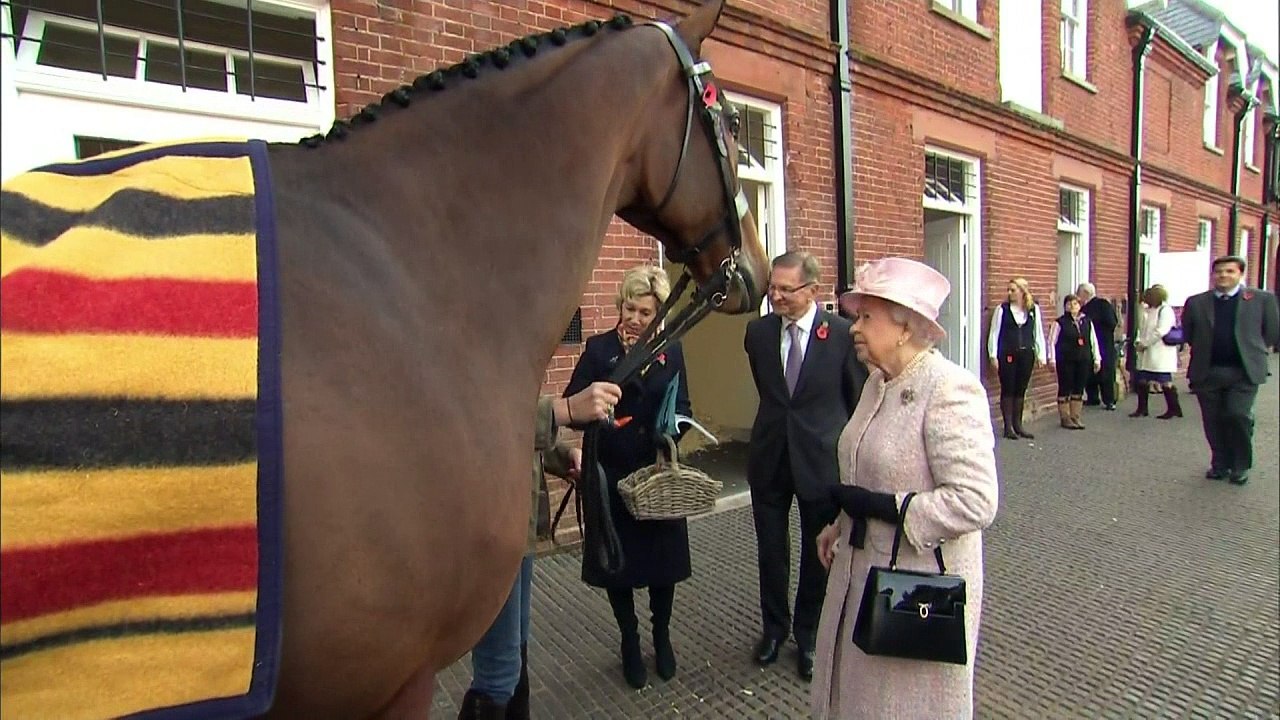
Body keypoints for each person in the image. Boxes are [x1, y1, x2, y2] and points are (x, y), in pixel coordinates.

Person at [811, 257, 998, 720]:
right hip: (860, 571)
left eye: (866, 316)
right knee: (855, 698)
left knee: (901, 705)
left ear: (905, 327)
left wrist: (890, 509)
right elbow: (869, 468)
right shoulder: (877, 384)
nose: (854, 327)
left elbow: (976, 501)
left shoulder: (950, 389)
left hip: (917, 590)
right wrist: (841, 523)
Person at [458, 381, 622, 720]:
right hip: (492, 527)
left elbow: (515, 427)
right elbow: (478, 418)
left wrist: (564, 456)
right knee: (499, 671)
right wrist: (565, 410)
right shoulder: (465, 334)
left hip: (520, 524)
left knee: (516, 652)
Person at [563, 265, 692, 689]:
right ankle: (630, 640)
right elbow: (572, 402)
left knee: (662, 564)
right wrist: (596, 415)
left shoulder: (670, 349)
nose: (634, 319)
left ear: (658, 314)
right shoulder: (599, 350)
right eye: (629, 308)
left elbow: (684, 407)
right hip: (612, 471)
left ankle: (662, 634)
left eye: (644, 312)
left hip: (656, 477)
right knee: (619, 566)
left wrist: (667, 433)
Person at [743, 250, 867, 682]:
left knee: (818, 554)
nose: (775, 296)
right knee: (771, 551)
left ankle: (809, 634)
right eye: (772, 288)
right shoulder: (756, 334)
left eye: (785, 289)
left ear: (812, 290)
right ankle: (774, 630)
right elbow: (771, 393)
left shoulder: (842, 336)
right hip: (770, 459)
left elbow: (855, 403)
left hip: (820, 463)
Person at [1181, 255, 1280, 485]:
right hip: (1208, 371)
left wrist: (1252, 349)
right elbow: (1189, 332)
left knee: (1237, 415)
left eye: (1229, 271)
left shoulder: (1260, 300)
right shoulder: (1197, 302)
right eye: (1219, 272)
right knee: (1213, 420)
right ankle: (1220, 463)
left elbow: (1272, 332)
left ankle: (1240, 465)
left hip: (1243, 372)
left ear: (1240, 274)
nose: (1223, 276)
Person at [987, 277, 1046, 440]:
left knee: (1021, 389)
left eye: (1013, 290)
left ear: (1022, 291)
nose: (1009, 293)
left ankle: (1018, 424)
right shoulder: (1002, 309)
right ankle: (1008, 427)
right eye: (1009, 290)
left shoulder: (1033, 310)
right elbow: (994, 333)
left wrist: (1041, 354)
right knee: (1008, 388)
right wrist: (993, 354)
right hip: (1008, 354)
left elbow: (1038, 333)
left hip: (1026, 353)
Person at [1047, 294, 1102, 430]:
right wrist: (1052, 358)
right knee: (1065, 387)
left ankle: (1075, 416)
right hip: (1065, 360)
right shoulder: (1059, 322)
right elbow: (1051, 342)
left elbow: (1093, 341)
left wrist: (1097, 358)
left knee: (1079, 387)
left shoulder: (1087, 321)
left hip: (1083, 359)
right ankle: (1065, 418)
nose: (1072, 307)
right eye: (1069, 304)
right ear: (1065, 306)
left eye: (1075, 304)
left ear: (1080, 305)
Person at [1129, 285, 1180, 420]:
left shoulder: (1165, 310)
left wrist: (1145, 343)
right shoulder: (1149, 310)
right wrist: (1138, 341)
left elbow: (1161, 331)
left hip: (1160, 351)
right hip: (1147, 352)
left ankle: (1173, 408)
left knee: (1164, 381)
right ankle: (1142, 408)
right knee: (1142, 379)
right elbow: (1141, 328)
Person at [1077, 282, 1119, 410]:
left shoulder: (1102, 304)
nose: (1078, 298)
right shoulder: (1084, 308)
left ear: (1086, 294)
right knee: (1090, 371)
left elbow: (1112, 322)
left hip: (1104, 342)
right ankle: (1092, 397)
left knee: (1106, 372)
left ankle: (1109, 400)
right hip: (1091, 343)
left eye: (1079, 294)